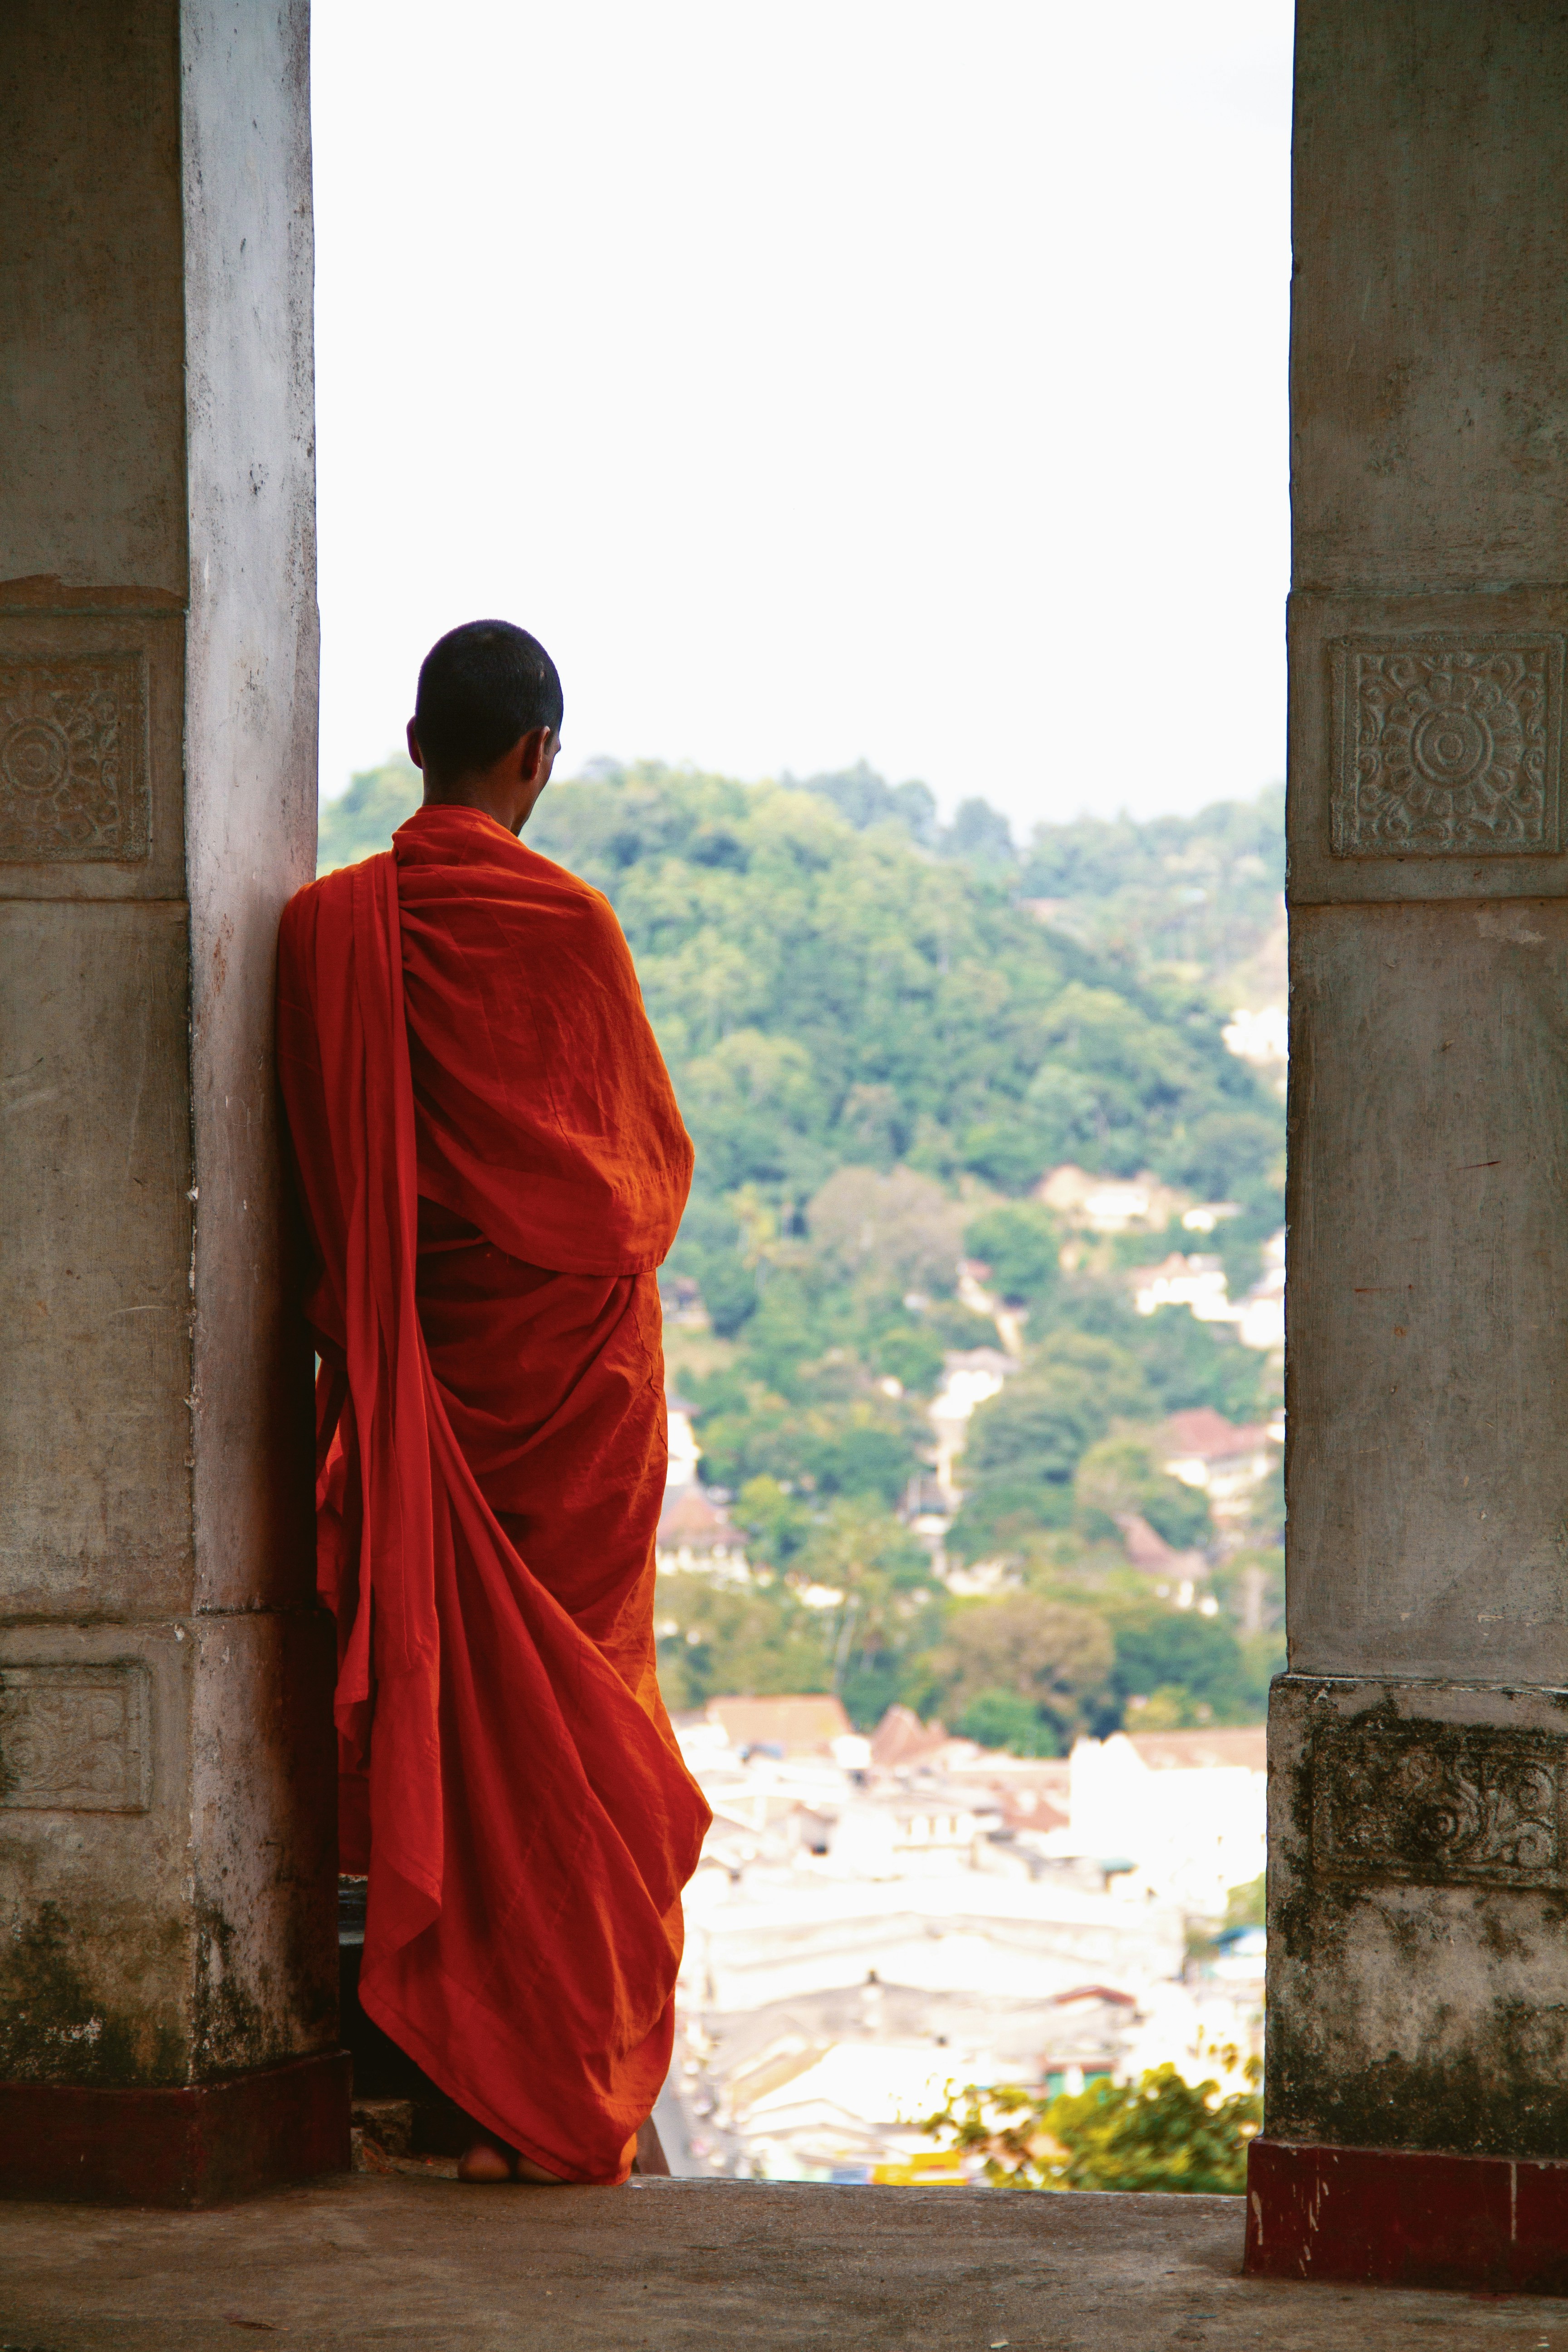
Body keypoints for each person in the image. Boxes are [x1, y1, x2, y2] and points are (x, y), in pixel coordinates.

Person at [276, 620, 709, 2185]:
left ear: (414, 747)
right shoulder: (572, 930)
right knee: (571, 1747)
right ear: (536, 758)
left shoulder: (328, 937)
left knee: (450, 1726)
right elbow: (635, 1197)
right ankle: (535, 2092)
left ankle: (452, 2084)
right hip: (561, 1418)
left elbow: (327, 1211)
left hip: (418, 1400)